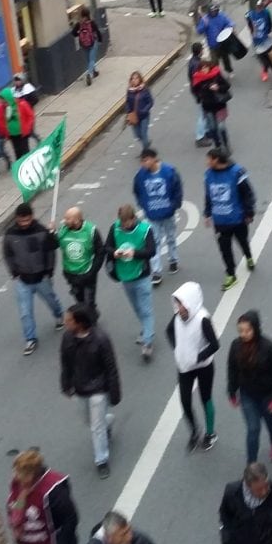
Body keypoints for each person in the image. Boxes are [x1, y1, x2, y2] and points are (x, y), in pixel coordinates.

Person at [61, 305, 121, 478]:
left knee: (96, 427)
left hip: (98, 388)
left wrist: (114, 391)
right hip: (80, 388)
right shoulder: (67, 338)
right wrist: (66, 384)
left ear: (80, 323)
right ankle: (107, 421)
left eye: (69, 320)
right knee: (90, 421)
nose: (66, 322)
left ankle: (101, 459)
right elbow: (65, 363)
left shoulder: (101, 339)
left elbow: (111, 367)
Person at [3, 202, 64, 355]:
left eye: (27, 220)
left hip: (41, 277)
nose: (24, 224)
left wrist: (49, 271)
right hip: (22, 279)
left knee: (51, 300)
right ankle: (30, 339)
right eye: (21, 220)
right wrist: (14, 271)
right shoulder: (10, 234)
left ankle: (59, 315)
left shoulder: (42, 231)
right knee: (25, 311)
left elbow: (51, 251)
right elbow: (8, 254)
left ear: (32, 217)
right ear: (16, 218)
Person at [166, 281, 220, 453]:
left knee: (206, 399)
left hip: (204, 367)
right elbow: (168, 331)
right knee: (185, 400)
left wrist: (197, 357)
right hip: (184, 367)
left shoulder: (203, 319)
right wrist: (178, 350)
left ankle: (210, 433)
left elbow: (215, 345)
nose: (179, 308)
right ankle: (195, 431)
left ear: (191, 302)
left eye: (182, 304)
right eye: (177, 303)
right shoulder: (177, 318)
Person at [227, 312, 272, 465]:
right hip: (247, 395)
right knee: (253, 429)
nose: (244, 334)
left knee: (270, 421)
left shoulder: (269, 347)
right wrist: (232, 391)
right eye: (240, 331)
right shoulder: (236, 346)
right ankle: (251, 464)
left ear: (256, 329)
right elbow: (232, 369)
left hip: (267, 395)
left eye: (247, 330)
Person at [105, 203, 156, 361]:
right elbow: (106, 247)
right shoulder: (115, 228)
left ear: (134, 218)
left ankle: (147, 342)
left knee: (146, 309)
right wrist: (115, 252)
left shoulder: (145, 229)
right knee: (137, 308)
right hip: (125, 276)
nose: (125, 225)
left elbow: (151, 251)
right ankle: (147, 331)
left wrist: (135, 253)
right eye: (123, 222)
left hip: (142, 275)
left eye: (128, 222)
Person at [204, 148, 256, 290]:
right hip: (220, 221)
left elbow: (248, 193)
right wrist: (207, 213)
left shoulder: (237, 172)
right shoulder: (208, 174)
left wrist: (249, 213)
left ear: (216, 160)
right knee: (224, 248)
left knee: (242, 240)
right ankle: (231, 274)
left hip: (237, 218)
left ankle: (248, 256)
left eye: (209, 159)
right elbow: (208, 195)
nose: (207, 162)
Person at [134, 148, 183, 285]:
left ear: (154, 158)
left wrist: (174, 205)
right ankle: (156, 271)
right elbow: (137, 191)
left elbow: (177, 189)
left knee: (171, 237)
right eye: (142, 161)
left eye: (145, 160)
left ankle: (173, 259)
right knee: (154, 241)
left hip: (168, 213)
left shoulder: (169, 172)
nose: (143, 164)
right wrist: (144, 206)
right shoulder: (140, 175)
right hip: (152, 214)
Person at [51, 206, 105, 319]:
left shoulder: (91, 231)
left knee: (88, 302)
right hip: (71, 275)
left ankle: (90, 327)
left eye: (68, 219)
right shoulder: (63, 230)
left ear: (77, 220)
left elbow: (100, 253)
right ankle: (92, 312)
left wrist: (92, 272)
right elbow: (54, 245)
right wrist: (52, 233)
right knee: (80, 302)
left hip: (87, 273)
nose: (64, 221)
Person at [192, 56, 233, 153]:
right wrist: (205, 89)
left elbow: (227, 86)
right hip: (208, 107)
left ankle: (226, 146)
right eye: (202, 68)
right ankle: (218, 146)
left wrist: (218, 87)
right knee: (213, 128)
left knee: (221, 127)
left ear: (209, 67)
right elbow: (196, 92)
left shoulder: (216, 75)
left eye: (206, 67)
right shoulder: (198, 79)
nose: (204, 70)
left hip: (220, 106)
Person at [0, 82, 36, 160]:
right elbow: (2, 120)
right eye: (2, 101)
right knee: (17, 153)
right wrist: (5, 132)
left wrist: (28, 128)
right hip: (12, 135)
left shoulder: (22, 104)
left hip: (22, 134)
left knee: (25, 152)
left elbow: (30, 116)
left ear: (8, 98)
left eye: (4, 100)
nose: (3, 102)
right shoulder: (4, 108)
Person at [197, 2, 237, 75]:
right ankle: (216, 74)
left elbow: (231, 23)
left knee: (225, 58)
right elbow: (199, 31)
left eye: (215, 11)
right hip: (213, 45)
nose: (214, 12)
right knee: (214, 61)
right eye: (212, 11)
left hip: (223, 43)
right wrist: (204, 25)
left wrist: (228, 28)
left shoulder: (221, 16)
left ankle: (229, 70)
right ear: (209, 12)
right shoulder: (205, 19)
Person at [246, 0, 272, 81]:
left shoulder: (266, 12)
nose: (259, 8)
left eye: (261, 6)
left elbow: (270, 22)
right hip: (257, 40)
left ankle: (270, 68)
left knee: (270, 55)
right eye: (258, 7)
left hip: (266, 37)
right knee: (262, 57)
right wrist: (252, 31)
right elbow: (250, 25)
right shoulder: (251, 14)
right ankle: (264, 72)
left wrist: (270, 31)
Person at [73, 6, 103, 86]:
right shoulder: (92, 23)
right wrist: (100, 40)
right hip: (92, 42)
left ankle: (94, 72)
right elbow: (97, 31)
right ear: (88, 14)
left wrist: (79, 34)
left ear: (81, 15)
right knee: (92, 59)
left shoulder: (79, 24)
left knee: (88, 60)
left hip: (83, 44)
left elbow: (73, 33)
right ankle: (89, 74)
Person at [125, 71, 153, 151]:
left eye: (136, 78)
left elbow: (150, 102)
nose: (134, 80)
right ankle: (146, 143)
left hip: (144, 116)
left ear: (140, 79)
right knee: (138, 135)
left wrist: (144, 110)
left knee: (144, 134)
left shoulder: (145, 89)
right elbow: (127, 102)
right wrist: (128, 111)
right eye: (132, 79)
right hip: (134, 117)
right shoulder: (129, 91)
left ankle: (145, 152)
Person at [189, 41, 211, 145]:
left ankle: (205, 132)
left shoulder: (192, 61)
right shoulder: (197, 64)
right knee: (203, 114)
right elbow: (198, 79)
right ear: (200, 51)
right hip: (200, 92)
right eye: (202, 49)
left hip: (197, 91)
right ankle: (200, 137)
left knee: (205, 113)